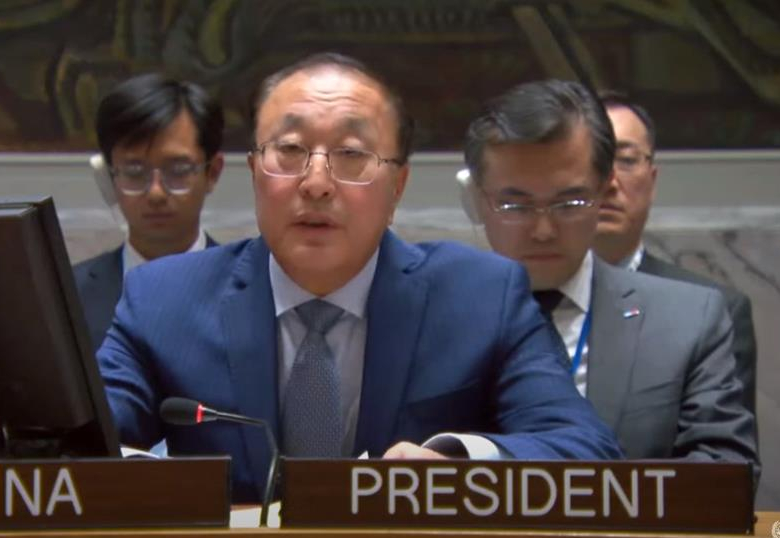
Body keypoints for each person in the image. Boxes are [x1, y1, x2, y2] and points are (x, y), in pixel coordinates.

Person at [98, 54, 621, 503]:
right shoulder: (163, 300)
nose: (316, 183)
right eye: (290, 151)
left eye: (351, 155)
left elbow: (585, 450)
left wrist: (457, 461)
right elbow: (74, 450)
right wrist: (155, 483)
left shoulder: (481, 297)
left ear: (398, 186)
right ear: (255, 171)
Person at [464, 79, 758, 479]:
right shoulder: (435, 316)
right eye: (515, 205)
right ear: (477, 200)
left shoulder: (689, 319)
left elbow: (727, 477)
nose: (543, 230)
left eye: (570, 203)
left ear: (603, 192)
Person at [594, 90, 758, 415]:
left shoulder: (715, 311)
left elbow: (724, 444)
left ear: (652, 181)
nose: (610, 182)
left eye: (626, 160)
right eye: (594, 160)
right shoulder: (515, 302)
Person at [74, 73, 224, 350]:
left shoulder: (258, 292)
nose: (155, 193)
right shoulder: (67, 295)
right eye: (134, 172)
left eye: (178, 170)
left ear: (212, 173)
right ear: (108, 177)